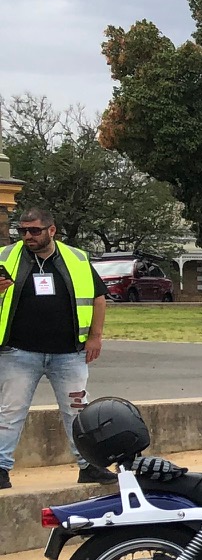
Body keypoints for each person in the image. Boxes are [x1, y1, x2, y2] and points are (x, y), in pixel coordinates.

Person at [0, 206, 112, 488]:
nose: (28, 236)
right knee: (10, 413)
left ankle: (90, 466)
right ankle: (0, 469)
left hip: (69, 355)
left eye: (34, 230)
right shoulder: (5, 257)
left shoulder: (77, 258)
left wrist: (95, 336)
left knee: (78, 413)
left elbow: (98, 298)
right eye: (23, 231)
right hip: (18, 353)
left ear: (52, 230)